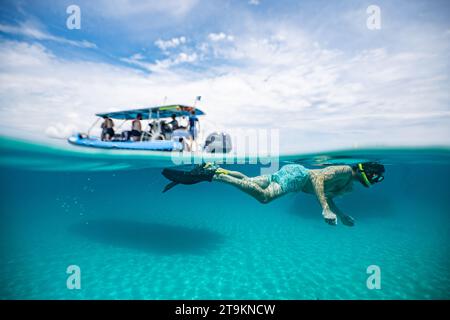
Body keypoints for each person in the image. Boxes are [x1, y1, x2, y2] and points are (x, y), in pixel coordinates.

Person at [161, 162, 385, 227]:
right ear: (368, 172)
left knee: (249, 182)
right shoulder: (345, 170)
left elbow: (330, 197)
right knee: (264, 197)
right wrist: (324, 209)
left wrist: (341, 214)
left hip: (293, 174)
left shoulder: (347, 185)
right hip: (298, 176)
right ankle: (213, 176)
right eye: (376, 177)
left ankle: (218, 170)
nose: (375, 181)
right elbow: (317, 178)